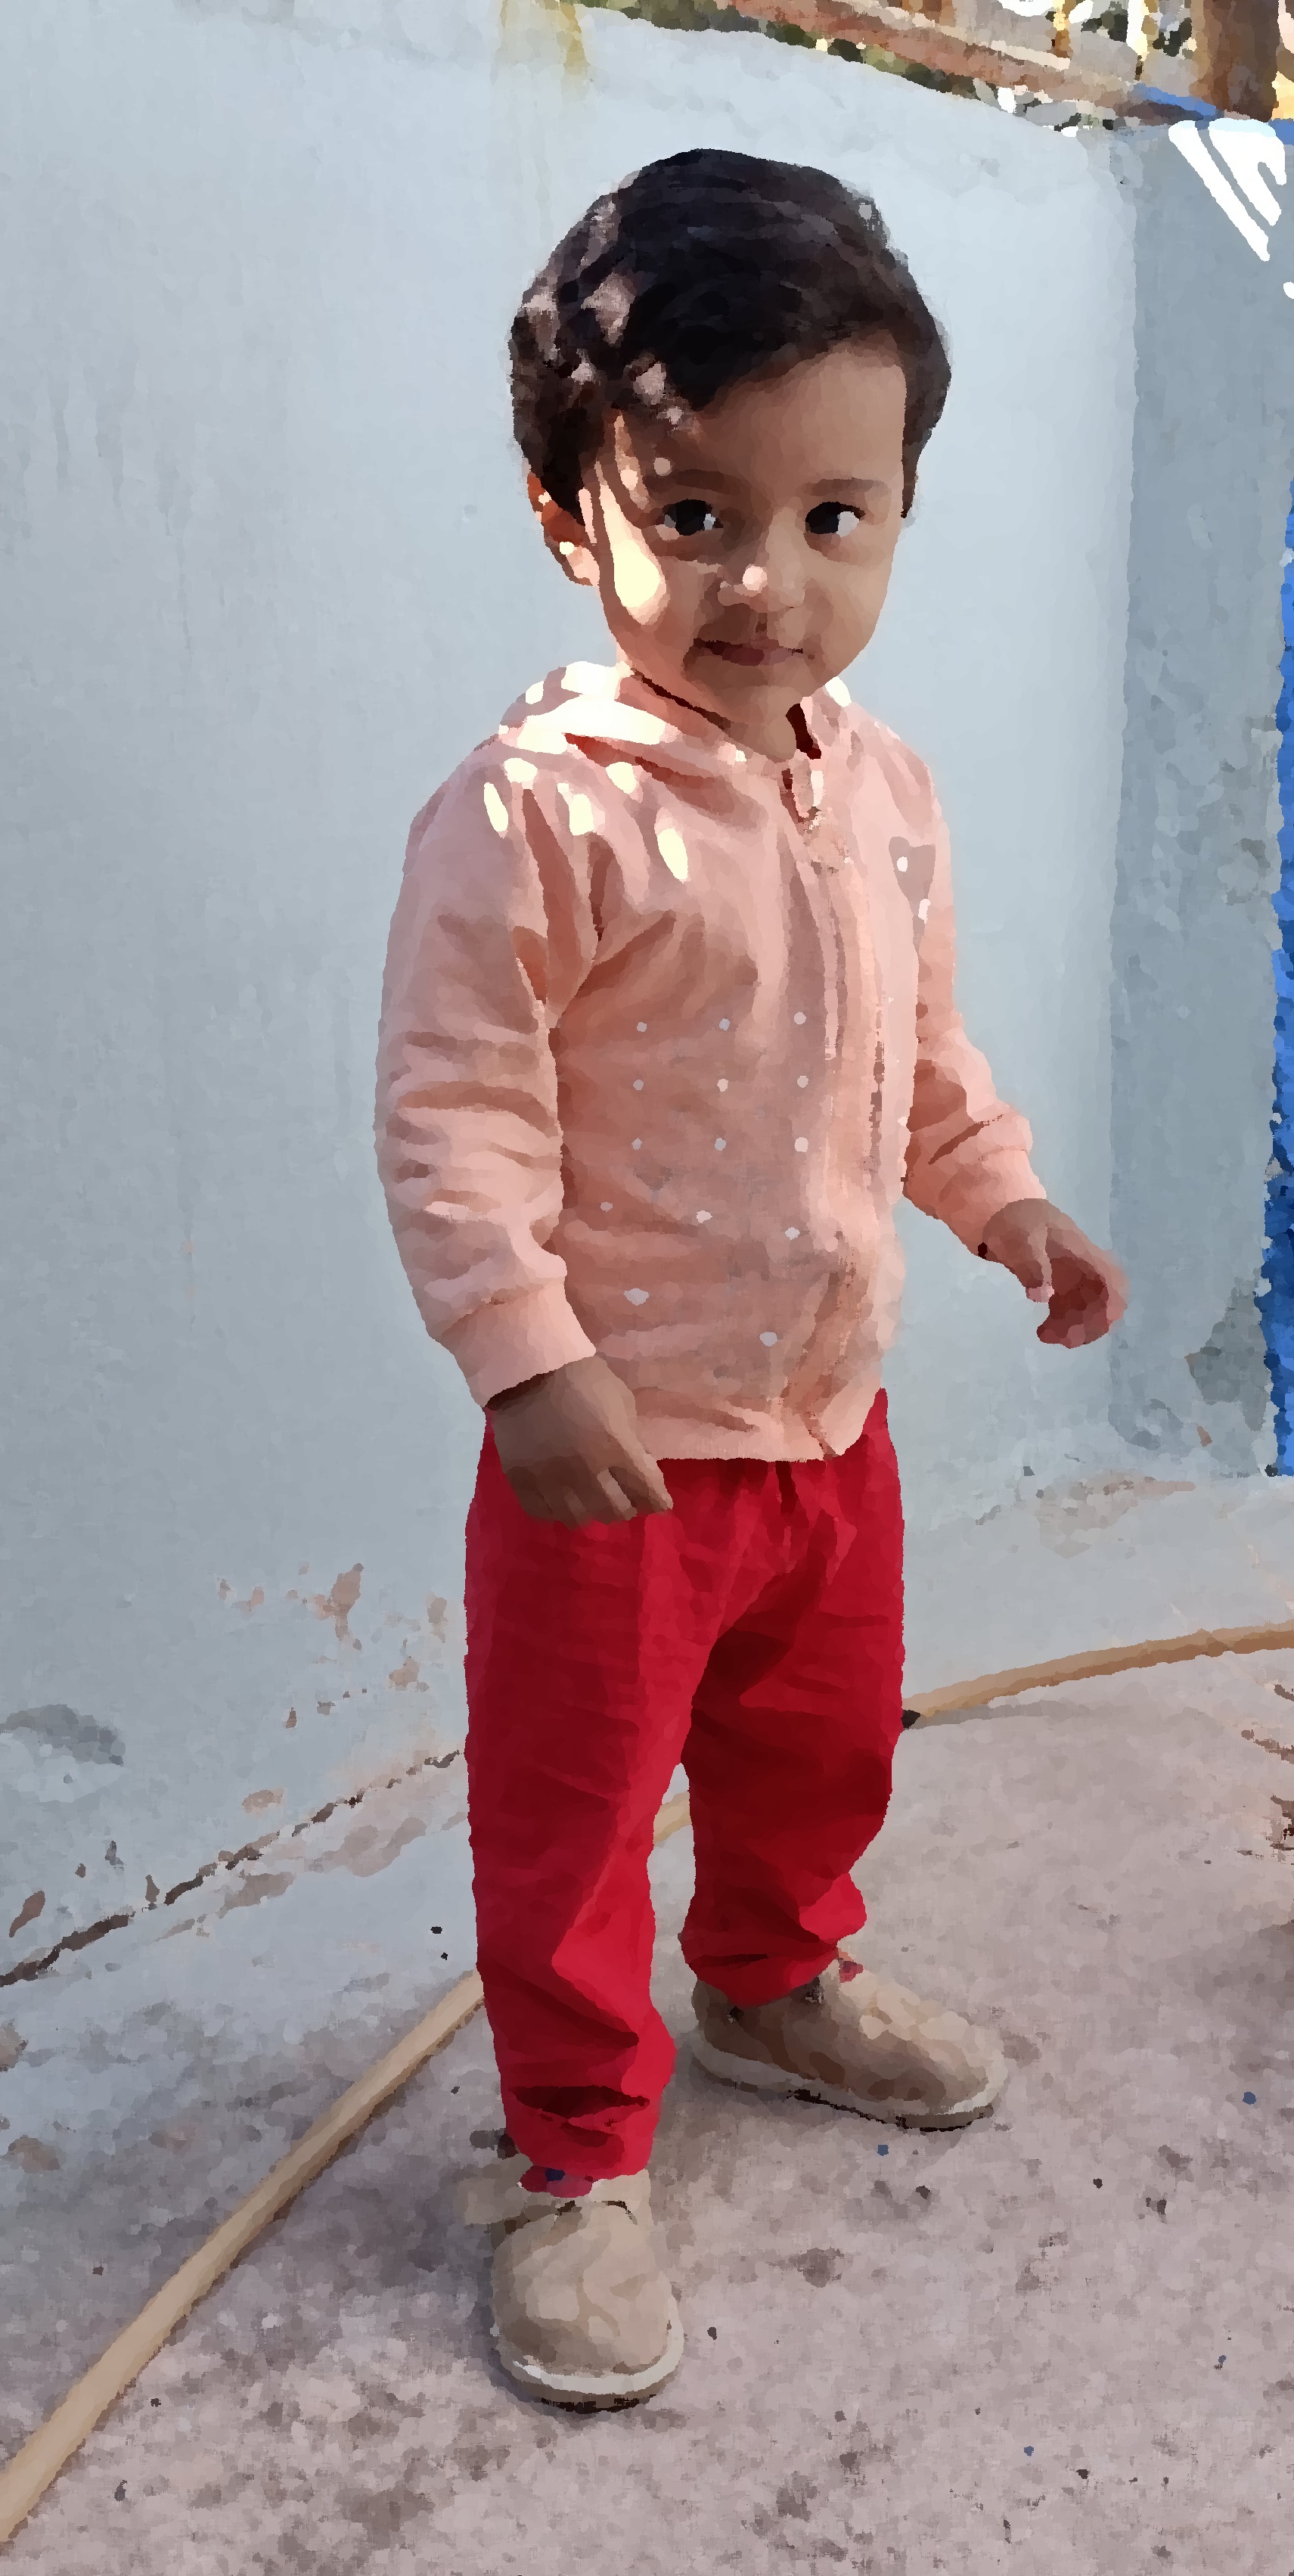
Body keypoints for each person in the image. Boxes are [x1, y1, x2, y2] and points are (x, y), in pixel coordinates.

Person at [375, 148, 1127, 2412]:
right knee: (578, 1816)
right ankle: (572, 2150)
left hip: (830, 1428)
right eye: (694, 515)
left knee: (819, 1744)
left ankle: (776, 1983)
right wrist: (527, 1362)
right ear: (566, 516)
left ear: (898, 513)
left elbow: (922, 1059)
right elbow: (457, 1114)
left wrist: (1005, 1203)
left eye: (835, 517)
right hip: (620, 1454)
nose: (768, 583)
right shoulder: (533, 813)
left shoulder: (886, 788)